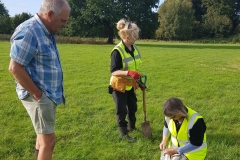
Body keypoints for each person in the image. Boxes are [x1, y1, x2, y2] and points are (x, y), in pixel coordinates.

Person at [8, 0, 71, 159]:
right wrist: (38, 95)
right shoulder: (30, 31)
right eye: (63, 21)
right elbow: (15, 67)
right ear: (50, 15)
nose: (65, 25)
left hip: (46, 95)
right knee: (48, 141)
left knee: (42, 138)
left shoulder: (47, 30)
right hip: (38, 95)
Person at [109, 19, 143, 142]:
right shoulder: (117, 51)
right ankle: (123, 134)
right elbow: (113, 71)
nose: (137, 36)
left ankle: (131, 127)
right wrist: (128, 73)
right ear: (127, 36)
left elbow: (134, 66)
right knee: (121, 110)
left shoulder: (134, 48)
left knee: (133, 107)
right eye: (135, 34)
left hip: (131, 85)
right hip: (119, 86)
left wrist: (139, 79)